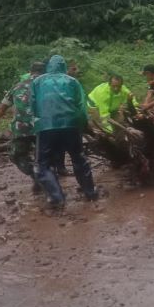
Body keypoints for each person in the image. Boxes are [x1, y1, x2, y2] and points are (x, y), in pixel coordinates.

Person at [31, 54, 98, 207]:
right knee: (79, 158)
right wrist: (82, 126)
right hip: (71, 125)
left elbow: (33, 106)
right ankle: (90, 192)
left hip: (46, 126)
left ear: (48, 66)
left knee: (43, 164)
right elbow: (81, 107)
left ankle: (57, 197)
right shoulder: (72, 81)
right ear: (64, 67)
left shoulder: (37, 82)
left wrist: (39, 123)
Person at [0, 61, 46, 193]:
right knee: (43, 156)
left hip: (21, 128)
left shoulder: (17, 86)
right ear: (45, 72)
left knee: (16, 155)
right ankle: (43, 177)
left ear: (30, 71)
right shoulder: (47, 86)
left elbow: (2, 108)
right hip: (43, 127)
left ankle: (35, 176)